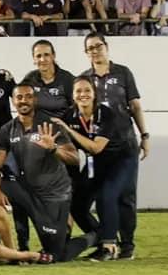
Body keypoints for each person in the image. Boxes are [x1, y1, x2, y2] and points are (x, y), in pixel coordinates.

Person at [0, 83, 91, 261]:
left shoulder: (50, 125)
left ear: (35, 99)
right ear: (13, 101)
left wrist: (53, 148)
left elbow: (75, 158)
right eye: (19, 97)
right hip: (30, 191)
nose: (24, 101)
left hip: (55, 194)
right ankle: (17, 247)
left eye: (28, 96)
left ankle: (94, 237)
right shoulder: (7, 129)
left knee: (56, 254)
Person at [53, 77, 140, 262]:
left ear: (94, 94)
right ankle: (102, 238)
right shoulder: (69, 116)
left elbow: (96, 147)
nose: (83, 94)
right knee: (77, 204)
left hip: (121, 159)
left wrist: (69, 130)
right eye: (78, 91)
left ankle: (110, 246)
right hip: (96, 163)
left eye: (87, 90)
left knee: (107, 195)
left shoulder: (106, 113)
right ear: (72, 95)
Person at [80, 32, 148, 260]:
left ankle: (127, 245)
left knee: (125, 197)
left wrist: (145, 135)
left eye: (98, 46)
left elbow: (135, 106)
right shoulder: (84, 79)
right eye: (90, 48)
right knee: (98, 196)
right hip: (100, 149)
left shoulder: (123, 73)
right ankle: (107, 240)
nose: (95, 51)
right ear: (86, 52)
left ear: (106, 46)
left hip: (125, 145)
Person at [22, 39, 75, 120]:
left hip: (61, 126)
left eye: (46, 55)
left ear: (53, 56)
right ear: (34, 59)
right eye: (38, 56)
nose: (42, 59)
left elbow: (76, 108)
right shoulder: (30, 78)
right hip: (36, 126)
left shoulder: (67, 79)